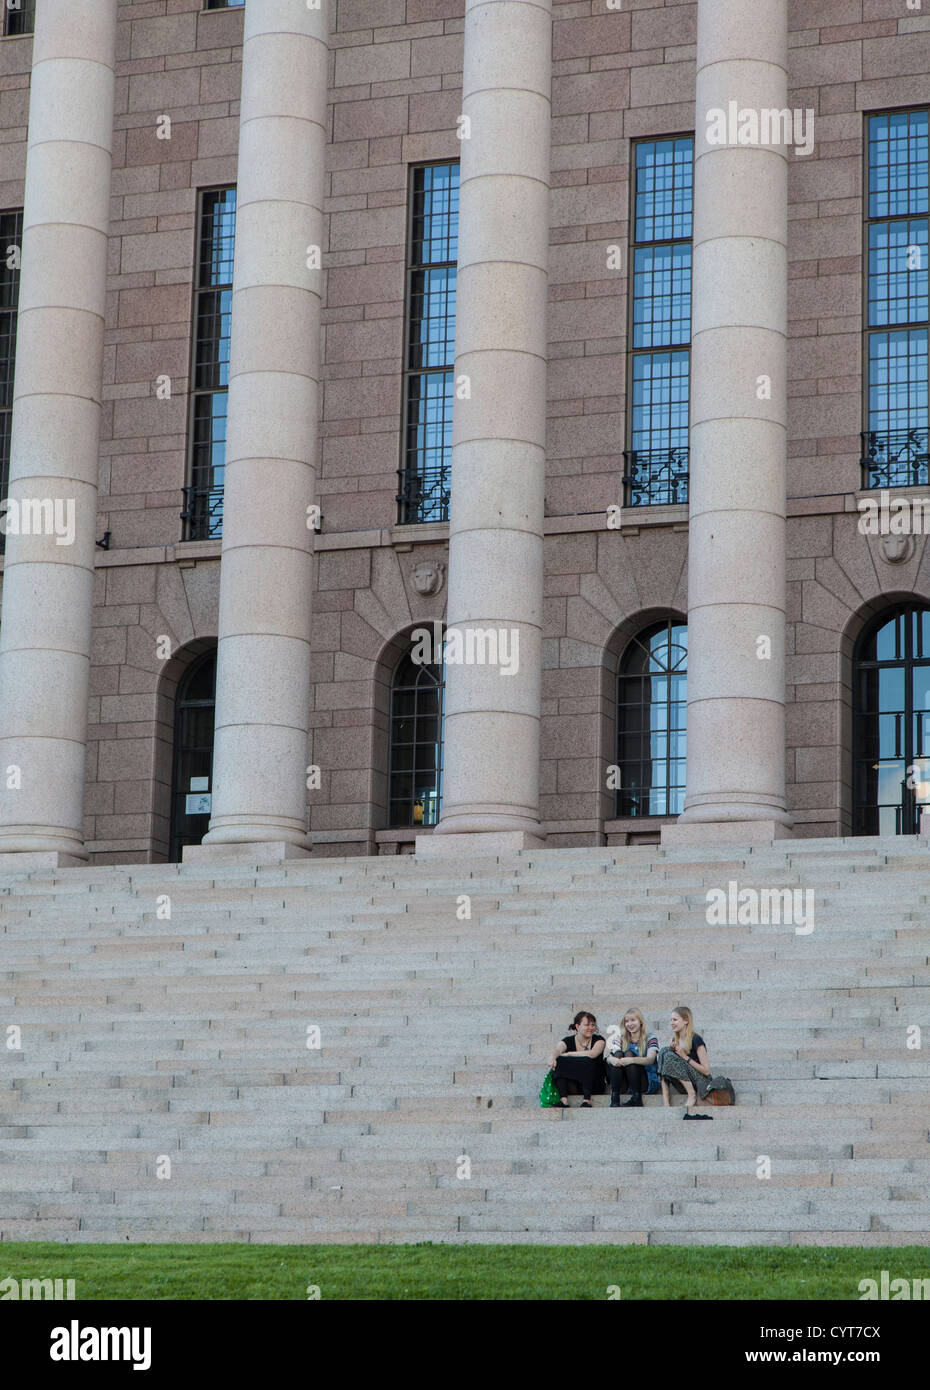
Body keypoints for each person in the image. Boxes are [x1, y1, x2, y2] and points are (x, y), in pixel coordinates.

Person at [656, 1005, 724, 1119]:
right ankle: (666, 1101)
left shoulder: (696, 1039)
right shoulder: (675, 1040)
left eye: (675, 1020)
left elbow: (706, 1071)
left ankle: (692, 1095)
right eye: (671, 1020)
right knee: (664, 1051)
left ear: (686, 1020)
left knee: (668, 1056)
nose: (672, 1023)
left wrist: (684, 1057)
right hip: (684, 1081)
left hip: (700, 1081)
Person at [548, 1011, 606, 1107]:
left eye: (593, 1025)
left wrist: (569, 1054)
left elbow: (592, 1054)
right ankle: (563, 1100)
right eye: (587, 1025)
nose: (591, 1028)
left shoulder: (599, 1040)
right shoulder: (569, 1040)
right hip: (575, 1085)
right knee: (559, 1060)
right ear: (578, 1026)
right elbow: (558, 1049)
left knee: (587, 1061)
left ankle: (586, 1101)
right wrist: (552, 1057)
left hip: (595, 1084)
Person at [605, 1007, 659, 1108]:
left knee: (629, 1053)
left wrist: (632, 1060)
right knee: (617, 1055)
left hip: (645, 1081)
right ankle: (615, 1097)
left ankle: (636, 1098)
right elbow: (611, 1056)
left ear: (640, 1022)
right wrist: (611, 1059)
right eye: (627, 1021)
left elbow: (650, 1060)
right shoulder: (620, 1038)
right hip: (625, 1083)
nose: (630, 1024)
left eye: (633, 1020)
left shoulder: (650, 1038)